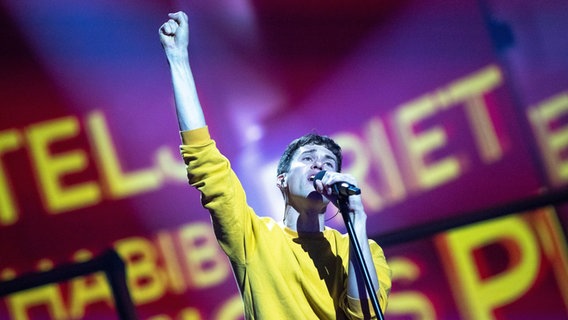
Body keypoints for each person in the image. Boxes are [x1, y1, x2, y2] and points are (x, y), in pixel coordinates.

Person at [159, 11, 391, 320]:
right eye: (308, 158)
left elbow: (364, 316)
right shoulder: (255, 239)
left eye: (328, 162)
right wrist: (178, 59)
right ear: (281, 179)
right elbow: (205, 162)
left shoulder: (363, 250)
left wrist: (357, 223)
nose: (319, 165)